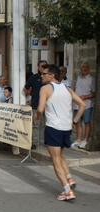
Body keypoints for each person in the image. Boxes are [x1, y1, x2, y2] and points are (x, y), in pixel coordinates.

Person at [34, 64, 86, 201]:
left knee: (55, 160)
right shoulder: (67, 88)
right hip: (66, 128)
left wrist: (36, 118)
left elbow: (40, 109)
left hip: (53, 127)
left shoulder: (45, 88)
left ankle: (67, 190)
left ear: (52, 75)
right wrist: (74, 121)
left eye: (45, 73)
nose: (42, 75)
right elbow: (83, 105)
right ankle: (69, 178)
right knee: (60, 155)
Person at [22, 60, 47, 150]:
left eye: (45, 66)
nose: (43, 68)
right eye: (42, 66)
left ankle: (47, 142)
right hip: (36, 104)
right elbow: (25, 88)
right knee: (36, 125)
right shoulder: (34, 77)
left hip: (48, 106)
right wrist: (32, 94)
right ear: (38, 67)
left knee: (47, 125)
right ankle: (35, 143)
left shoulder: (49, 78)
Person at [71, 62, 96, 149]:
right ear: (80, 69)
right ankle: (78, 140)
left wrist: (84, 97)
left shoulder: (91, 79)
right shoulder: (78, 78)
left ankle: (85, 140)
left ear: (88, 69)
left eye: (86, 67)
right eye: (83, 67)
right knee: (78, 123)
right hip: (77, 105)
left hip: (87, 105)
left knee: (87, 122)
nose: (85, 69)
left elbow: (93, 93)